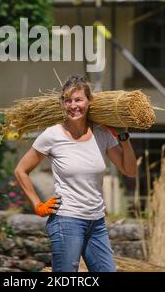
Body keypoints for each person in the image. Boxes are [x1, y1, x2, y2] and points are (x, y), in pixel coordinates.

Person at [14, 75, 137, 272]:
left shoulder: (101, 133)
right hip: (66, 220)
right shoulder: (52, 135)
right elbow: (21, 170)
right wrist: (37, 205)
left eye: (78, 99)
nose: (73, 105)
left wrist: (123, 137)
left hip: (96, 222)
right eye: (68, 100)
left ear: (89, 102)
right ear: (62, 103)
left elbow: (129, 171)